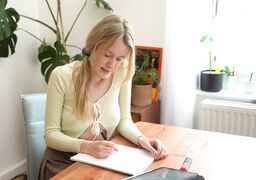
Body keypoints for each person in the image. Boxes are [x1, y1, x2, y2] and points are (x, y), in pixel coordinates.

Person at [39, 14, 168, 180]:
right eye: (108, 55)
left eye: (120, 58)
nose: (112, 65)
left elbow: (124, 121)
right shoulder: (61, 76)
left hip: (100, 162)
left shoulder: (122, 72)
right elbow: (50, 135)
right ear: (92, 46)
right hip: (62, 163)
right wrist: (86, 147)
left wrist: (142, 140)